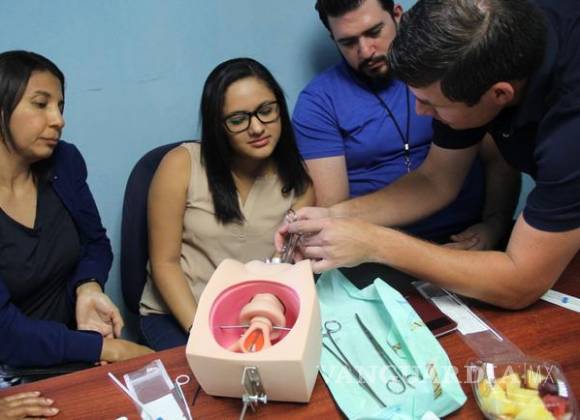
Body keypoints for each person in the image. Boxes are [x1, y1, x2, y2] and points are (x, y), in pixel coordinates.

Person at [278, 0, 580, 309]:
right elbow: (436, 180)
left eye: (432, 105)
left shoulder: (568, 133)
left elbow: (520, 282)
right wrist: (333, 216)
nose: (420, 111)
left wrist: (374, 242)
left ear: (498, 94)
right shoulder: (469, 45)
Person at [293, 0, 519, 248]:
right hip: (375, 247)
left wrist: (494, 225)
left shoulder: (444, 71)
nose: (366, 51)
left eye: (374, 32)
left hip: (468, 236)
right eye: (348, 42)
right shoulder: (319, 101)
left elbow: (498, 159)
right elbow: (332, 211)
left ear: (397, 15)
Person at [139, 58, 314, 351]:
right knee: (203, 378)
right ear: (217, 126)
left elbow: (279, 274)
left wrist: (258, 326)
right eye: (238, 120)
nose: (257, 128)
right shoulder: (181, 164)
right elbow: (164, 264)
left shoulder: (298, 182)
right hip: (179, 315)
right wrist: (202, 335)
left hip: (252, 318)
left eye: (266, 111)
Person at [0, 50, 151, 368]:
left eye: (60, 106)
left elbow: (96, 244)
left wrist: (88, 286)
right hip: (13, 368)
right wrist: (106, 349)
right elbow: (7, 335)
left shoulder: (64, 162)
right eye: (40, 104)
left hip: (74, 351)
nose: (58, 120)